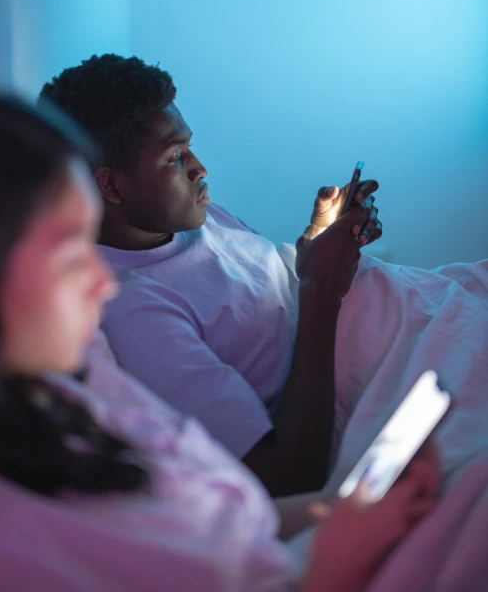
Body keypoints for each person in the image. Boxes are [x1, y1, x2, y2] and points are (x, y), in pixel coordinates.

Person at [0, 88, 440, 592]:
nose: (102, 283)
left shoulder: (77, 385)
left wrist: (343, 510)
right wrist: (339, 550)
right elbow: (267, 493)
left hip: (402, 319)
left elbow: (234, 517)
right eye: (71, 257)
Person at [39, 53, 381, 495]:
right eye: (175, 156)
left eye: (189, 146)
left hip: (410, 311)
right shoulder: (136, 312)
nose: (199, 167)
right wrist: (321, 291)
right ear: (111, 185)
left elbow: (262, 293)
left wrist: (317, 245)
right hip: (383, 370)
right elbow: (288, 475)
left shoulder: (187, 215)